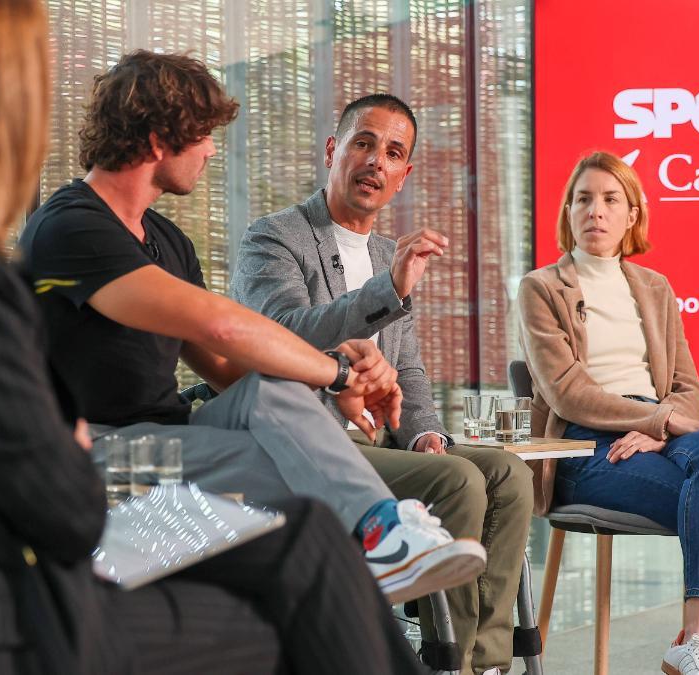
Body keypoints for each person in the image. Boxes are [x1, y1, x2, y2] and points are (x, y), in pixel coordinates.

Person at [0, 1, 434, 672]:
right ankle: (383, 540)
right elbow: (69, 513)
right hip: (5, 629)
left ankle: (372, 532)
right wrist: (71, 438)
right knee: (308, 556)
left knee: (301, 540)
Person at [18, 50, 485, 603]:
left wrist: (328, 394)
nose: (213, 149)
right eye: (202, 134)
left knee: (277, 399)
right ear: (157, 138)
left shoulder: (167, 240)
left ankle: (382, 535)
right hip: (100, 453)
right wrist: (337, 373)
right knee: (302, 477)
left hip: (171, 436)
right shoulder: (71, 226)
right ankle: (361, 565)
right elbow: (219, 326)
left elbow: (224, 369)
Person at [232, 93, 535, 675]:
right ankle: (447, 661)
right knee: (462, 483)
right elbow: (286, 333)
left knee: (511, 474)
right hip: (311, 443)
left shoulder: (385, 253)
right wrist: (387, 292)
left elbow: (411, 370)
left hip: (383, 441)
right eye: (363, 143)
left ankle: (487, 662)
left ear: (403, 175)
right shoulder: (274, 239)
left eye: (393, 152)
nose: (376, 160)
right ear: (333, 150)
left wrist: (423, 434)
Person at [517, 151, 699, 675]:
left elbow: (686, 387)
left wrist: (658, 428)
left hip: (656, 432)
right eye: (583, 199)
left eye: (610, 200)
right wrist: (660, 424)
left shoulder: (655, 287)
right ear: (568, 212)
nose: (595, 211)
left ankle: (696, 640)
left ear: (632, 215)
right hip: (585, 443)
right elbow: (566, 393)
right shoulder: (540, 288)